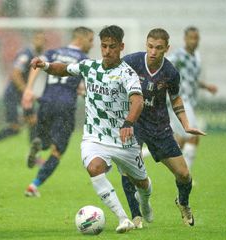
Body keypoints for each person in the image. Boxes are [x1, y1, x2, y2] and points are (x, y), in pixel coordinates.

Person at [29, 25, 153, 234]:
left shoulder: (127, 73)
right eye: (103, 46)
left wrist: (129, 123)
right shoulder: (89, 67)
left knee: (142, 182)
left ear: (121, 46)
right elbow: (64, 69)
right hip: (95, 137)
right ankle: (123, 218)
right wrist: (45, 65)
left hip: (123, 139)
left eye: (112, 47)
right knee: (94, 168)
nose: (106, 51)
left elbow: (138, 101)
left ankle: (146, 203)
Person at [121, 28, 206, 228]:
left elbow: (175, 98)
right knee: (127, 170)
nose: (153, 51)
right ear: (146, 45)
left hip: (159, 128)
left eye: (158, 48)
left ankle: (183, 203)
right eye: (150, 46)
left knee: (184, 175)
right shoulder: (131, 62)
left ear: (166, 49)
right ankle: (136, 216)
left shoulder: (170, 73)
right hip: (134, 123)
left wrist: (186, 124)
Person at [21, 26, 94, 198]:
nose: (92, 45)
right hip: (65, 105)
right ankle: (34, 185)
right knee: (57, 151)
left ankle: (38, 144)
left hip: (46, 101)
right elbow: (86, 86)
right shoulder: (84, 59)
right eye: (90, 40)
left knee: (44, 140)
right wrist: (84, 93)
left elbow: (37, 64)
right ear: (81, 38)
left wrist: (29, 89)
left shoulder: (53, 52)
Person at [0, 31, 46, 160]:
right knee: (15, 128)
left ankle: (33, 156)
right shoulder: (26, 54)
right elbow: (15, 73)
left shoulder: (38, 56)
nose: (41, 42)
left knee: (33, 120)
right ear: (33, 39)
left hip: (23, 94)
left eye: (43, 39)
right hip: (13, 94)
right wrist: (26, 90)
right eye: (38, 39)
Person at [167, 26, 217, 170]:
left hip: (188, 100)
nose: (194, 41)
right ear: (185, 39)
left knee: (180, 141)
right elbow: (164, 65)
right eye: (191, 38)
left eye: (196, 38)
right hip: (180, 99)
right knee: (193, 136)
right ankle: (185, 175)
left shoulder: (196, 58)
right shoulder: (179, 55)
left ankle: (149, 153)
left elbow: (192, 79)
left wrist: (206, 87)